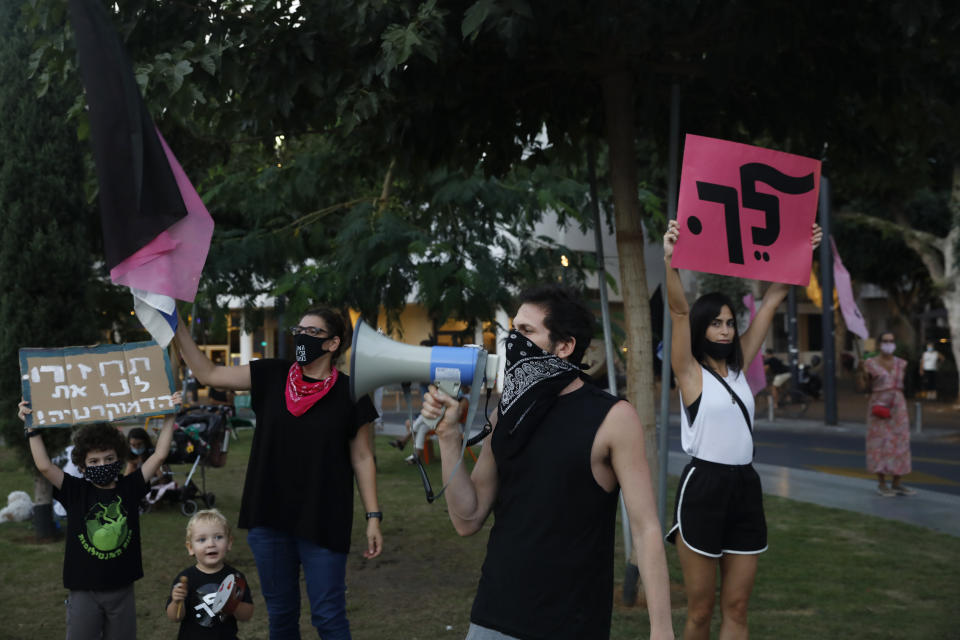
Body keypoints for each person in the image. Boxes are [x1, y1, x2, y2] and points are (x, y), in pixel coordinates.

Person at [421, 284, 674, 640]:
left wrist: (661, 629)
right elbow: (468, 519)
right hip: (494, 617)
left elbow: (647, 529)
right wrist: (448, 437)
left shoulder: (614, 418)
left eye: (526, 332)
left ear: (565, 346)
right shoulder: (507, 412)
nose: (513, 342)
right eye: (513, 331)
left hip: (571, 625)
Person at [173, 305, 383, 639]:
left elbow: (362, 458)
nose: (301, 337)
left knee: (329, 617)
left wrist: (373, 516)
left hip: (324, 518)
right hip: (269, 517)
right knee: (281, 617)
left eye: (312, 333)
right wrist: (177, 325)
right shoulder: (270, 374)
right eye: (298, 331)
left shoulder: (351, 393)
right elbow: (209, 374)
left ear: (333, 343)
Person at [663, 219, 821, 640]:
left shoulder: (739, 365)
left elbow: (771, 300)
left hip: (745, 487)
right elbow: (678, 309)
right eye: (716, 322)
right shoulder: (689, 371)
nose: (726, 330)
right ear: (702, 328)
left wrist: (801, 249)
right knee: (700, 612)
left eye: (730, 322)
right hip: (703, 487)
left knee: (736, 607)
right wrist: (670, 261)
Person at [18, 393, 179, 639]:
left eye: (109, 459)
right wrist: (32, 428)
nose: (102, 464)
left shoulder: (130, 486)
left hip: (122, 587)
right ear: (82, 467)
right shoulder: (75, 490)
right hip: (83, 589)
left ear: (120, 459)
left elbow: (158, 455)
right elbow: (44, 466)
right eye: (93, 461)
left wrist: (170, 415)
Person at [167, 508, 254, 638]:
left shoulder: (236, 578)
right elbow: (174, 617)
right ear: (191, 548)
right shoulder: (185, 578)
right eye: (202, 540)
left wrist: (233, 604)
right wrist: (176, 602)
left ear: (229, 543)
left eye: (218, 537)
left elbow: (246, 616)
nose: (211, 544)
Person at [859, 332, 915, 497]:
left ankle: (897, 483)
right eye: (885, 341)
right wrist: (861, 373)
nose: (888, 344)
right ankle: (882, 483)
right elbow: (864, 388)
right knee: (879, 443)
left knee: (900, 442)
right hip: (878, 406)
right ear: (878, 344)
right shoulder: (870, 363)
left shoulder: (901, 364)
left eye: (891, 341)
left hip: (898, 407)